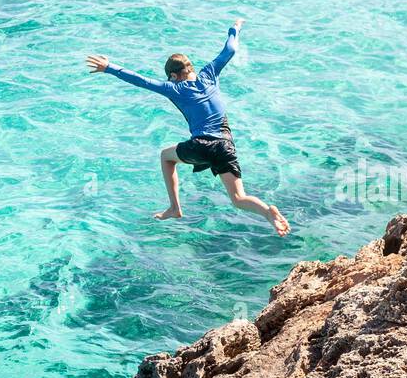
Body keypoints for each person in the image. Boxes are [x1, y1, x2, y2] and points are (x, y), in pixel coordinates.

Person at [86, 19, 289, 236]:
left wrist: (109, 68)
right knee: (239, 198)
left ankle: (175, 207)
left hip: (202, 144)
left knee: (166, 156)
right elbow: (229, 49)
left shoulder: (174, 88)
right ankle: (268, 213)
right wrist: (235, 28)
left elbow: (141, 80)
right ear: (190, 68)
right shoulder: (209, 74)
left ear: (174, 75)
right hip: (225, 146)